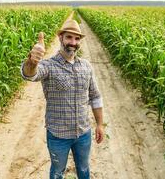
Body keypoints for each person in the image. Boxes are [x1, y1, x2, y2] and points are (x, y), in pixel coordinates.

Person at [20, 19, 104, 179]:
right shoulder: (48, 66)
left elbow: (95, 96)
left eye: (77, 38)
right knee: (58, 172)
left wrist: (99, 124)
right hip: (58, 135)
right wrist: (32, 61)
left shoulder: (86, 66)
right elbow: (30, 75)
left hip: (83, 133)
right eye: (69, 37)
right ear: (60, 38)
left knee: (84, 169)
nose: (73, 42)